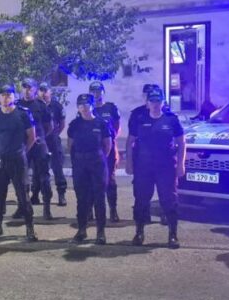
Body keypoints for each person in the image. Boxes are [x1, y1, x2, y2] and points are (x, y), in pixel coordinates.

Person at [126, 89, 185, 248]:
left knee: (169, 201)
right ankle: (139, 232)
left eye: (158, 101)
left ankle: (173, 235)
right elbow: (130, 142)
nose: (155, 104)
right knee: (141, 201)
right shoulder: (139, 119)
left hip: (166, 167)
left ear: (163, 103)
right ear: (147, 103)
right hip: (143, 167)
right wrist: (129, 163)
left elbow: (181, 143)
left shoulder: (171, 119)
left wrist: (181, 164)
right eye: (152, 101)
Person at [0, 85, 37, 241]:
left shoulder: (23, 114)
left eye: (9, 95)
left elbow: (32, 137)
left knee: (23, 195)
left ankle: (30, 228)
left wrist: (22, 151)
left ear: (14, 97)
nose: (6, 97)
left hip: (18, 161)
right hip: (0, 161)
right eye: (3, 95)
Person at [67, 94, 113, 244]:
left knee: (99, 198)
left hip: (97, 163)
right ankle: (82, 230)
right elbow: (70, 145)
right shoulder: (74, 124)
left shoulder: (101, 123)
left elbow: (108, 145)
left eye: (86, 104)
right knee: (82, 199)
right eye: (81, 105)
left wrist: (98, 158)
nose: (84, 108)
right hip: (80, 163)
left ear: (92, 106)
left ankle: (101, 232)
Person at [17, 79, 54, 219]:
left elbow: (49, 126)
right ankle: (23, 207)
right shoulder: (17, 105)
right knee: (21, 178)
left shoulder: (41, 105)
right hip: (22, 145)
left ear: (35, 89)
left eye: (30, 88)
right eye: (24, 87)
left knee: (44, 177)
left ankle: (47, 208)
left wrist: (40, 137)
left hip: (38, 144)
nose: (27, 90)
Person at [90, 81, 122, 221]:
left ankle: (113, 210)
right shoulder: (88, 108)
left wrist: (110, 140)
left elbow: (117, 127)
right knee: (91, 181)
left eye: (98, 91)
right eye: (93, 91)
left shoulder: (111, 108)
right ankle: (90, 211)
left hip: (108, 150)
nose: (96, 93)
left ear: (103, 92)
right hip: (92, 150)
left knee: (110, 180)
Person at [40, 82, 68, 207]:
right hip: (40, 141)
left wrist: (54, 134)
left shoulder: (57, 106)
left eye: (45, 90)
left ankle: (61, 194)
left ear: (50, 92)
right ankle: (37, 194)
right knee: (40, 168)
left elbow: (62, 124)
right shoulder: (37, 106)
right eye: (41, 90)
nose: (43, 93)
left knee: (57, 168)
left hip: (53, 140)